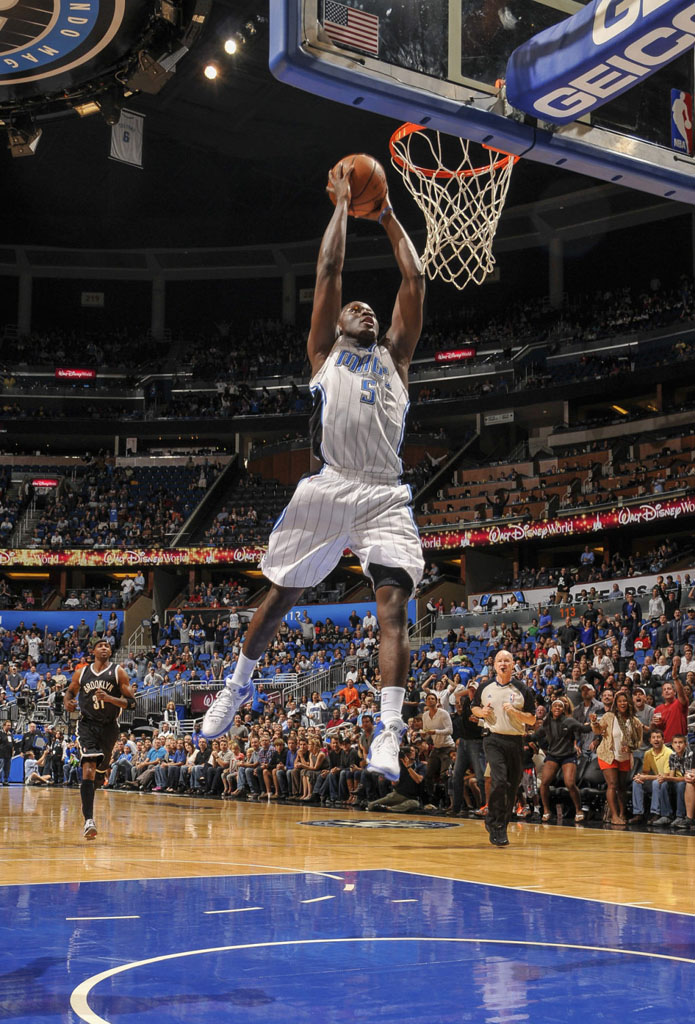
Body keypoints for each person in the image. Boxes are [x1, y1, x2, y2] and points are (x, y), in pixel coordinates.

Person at [201, 162, 426, 787]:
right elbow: (329, 271)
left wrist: (385, 216)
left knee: (392, 606)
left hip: (385, 492)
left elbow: (415, 275)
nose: (366, 310)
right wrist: (342, 205)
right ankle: (236, 685)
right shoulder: (324, 356)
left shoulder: (397, 359)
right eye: (356, 308)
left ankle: (389, 730)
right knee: (279, 597)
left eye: (371, 310)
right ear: (335, 327)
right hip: (330, 484)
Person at [63, 639, 136, 840]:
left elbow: (131, 704)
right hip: (87, 725)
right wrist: (67, 701)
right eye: (100, 645)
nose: (104, 648)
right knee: (88, 767)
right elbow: (71, 690)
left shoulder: (118, 672)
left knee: (99, 773)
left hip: (109, 727)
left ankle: (90, 792)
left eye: (107, 646)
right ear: (94, 650)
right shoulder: (82, 672)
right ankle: (89, 820)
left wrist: (110, 699)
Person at [471, 649, 536, 847]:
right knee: (499, 780)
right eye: (500, 660)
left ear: (513, 664)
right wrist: (481, 712)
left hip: (516, 741)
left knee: (512, 786)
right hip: (492, 739)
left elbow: (532, 719)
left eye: (507, 660)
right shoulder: (485, 686)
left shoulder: (522, 689)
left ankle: (500, 823)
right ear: (494, 665)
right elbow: (473, 707)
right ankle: (496, 825)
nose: (503, 663)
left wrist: (516, 712)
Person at [529, 696, 593, 822]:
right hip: (553, 755)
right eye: (555, 706)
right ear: (551, 709)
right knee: (544, 783)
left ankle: (578, 809)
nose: (557, 708)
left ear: (563, 710)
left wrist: (594, 723)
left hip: (568, 755)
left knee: (569, 783)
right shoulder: (547, 722)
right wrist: (524, 736)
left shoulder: (569, 721)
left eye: (560, 706)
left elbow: (584, 729)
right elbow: (535, 736)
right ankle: (547, 810)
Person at [590, 691, 643, 825]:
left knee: (622, 787)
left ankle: (622, 813)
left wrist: (631, 748)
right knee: (612, 784)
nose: (622, 703)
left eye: (624, 701)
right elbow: (598, 731)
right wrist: (594, 722)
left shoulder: (634, 721)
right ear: (616, 703)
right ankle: (614, 816)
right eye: (619, 701)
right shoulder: (609, 716)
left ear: (628, 703)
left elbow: (639, 741)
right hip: (608, 754)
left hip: (624, 757)